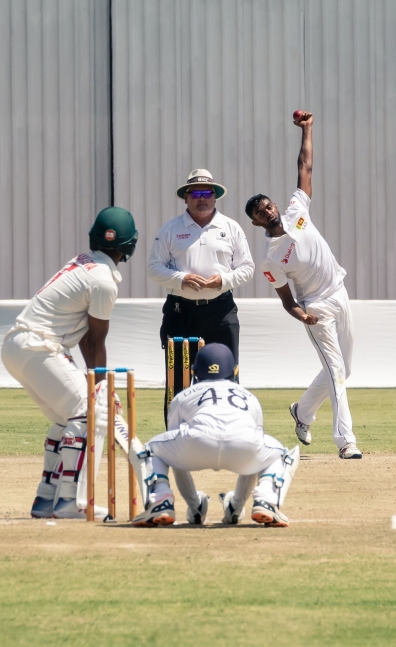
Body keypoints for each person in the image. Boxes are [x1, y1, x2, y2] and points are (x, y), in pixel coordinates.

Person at [1, 207, 140, 519]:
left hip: (17, 345)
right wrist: (104, 388)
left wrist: (101, 385)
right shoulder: (104, 281)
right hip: (40, 346)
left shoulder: (82, 262)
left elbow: (84, 339)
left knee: (69, 420)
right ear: (130, 246)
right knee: (93, 412)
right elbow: (95, 340)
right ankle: (72, 502)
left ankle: (46, 499)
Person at [245, 112, 361, 459]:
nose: (267, 212)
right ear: (255, 223)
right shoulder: (271, 258)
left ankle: (303, 412)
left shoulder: (297, 209)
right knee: (337, 370)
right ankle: (346, 441)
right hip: (317, 307)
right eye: (260, 214)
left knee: (346, 368)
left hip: (339, 293)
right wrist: (303, 316)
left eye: (268, 206)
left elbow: (305, 166)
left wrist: (307, 129)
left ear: (276, 205)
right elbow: (286, 300)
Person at [147, 168, 255, 519]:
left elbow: (248, 267)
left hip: (221, 310)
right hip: (180, 311)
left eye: (208, 192)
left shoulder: (231, 228)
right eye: (196, 192)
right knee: (178, 387)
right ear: (185, 197)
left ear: (216, 196)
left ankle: (235, 447)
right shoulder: (170, 229)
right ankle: (177, 460)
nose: (202, 197)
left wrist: (222, 279)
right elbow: (153, 268)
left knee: (229, 380)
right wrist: (181, 278)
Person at [127, 343, 299, 528]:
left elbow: (174, 444)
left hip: (196, 445)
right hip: (243, 447)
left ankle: (161, 501)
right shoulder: (249, 397)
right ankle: (265, 500)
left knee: (151, 451)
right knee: (282, 454)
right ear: (235, 371)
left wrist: (194, 505)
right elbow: (256, 449)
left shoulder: (183, 396)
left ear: (194, 372)